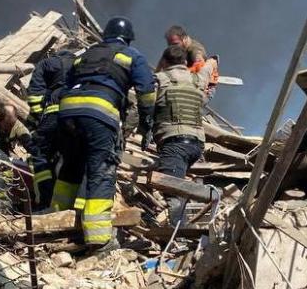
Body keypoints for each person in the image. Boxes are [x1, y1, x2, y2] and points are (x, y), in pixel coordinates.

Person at [52, 17, 156, 252]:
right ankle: (98, 239)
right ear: (128, 38)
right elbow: (147, 93)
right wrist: (146, 124)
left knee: (70, 168)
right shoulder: (132, 56)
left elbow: (64, 85)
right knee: (101, 171)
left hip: (68, 112)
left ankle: (55, 224)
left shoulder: (85, 54)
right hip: (99, 113)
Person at [141, 44, 210, 225]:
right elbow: (208, 69)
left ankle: (179, 233)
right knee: (178, 185)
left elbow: (146, 106)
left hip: (175, 143)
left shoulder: (160, 80)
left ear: (164, 61)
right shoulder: (197, 80)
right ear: (185, 62)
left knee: (171, 189)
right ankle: (183, 226)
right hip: (196, 145)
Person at [25, 49, 74, 208]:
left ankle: (44, 201)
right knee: (71, 158)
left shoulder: (48, 62)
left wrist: (38, 118)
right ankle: (66, 204)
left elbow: (35, 95)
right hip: (76, 118)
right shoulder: (82, 64)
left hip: (53, 116)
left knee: (40, 155)